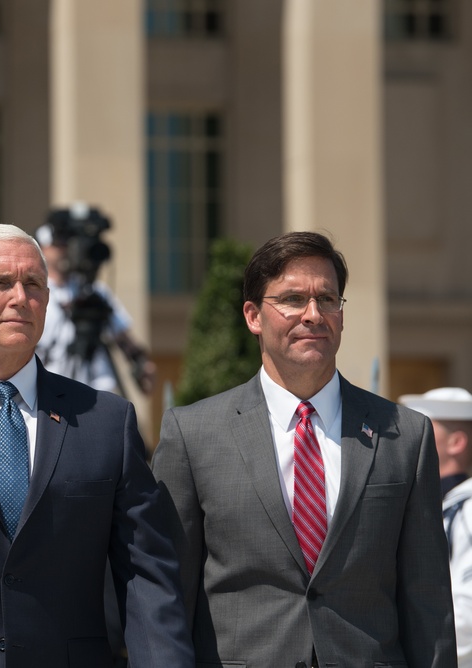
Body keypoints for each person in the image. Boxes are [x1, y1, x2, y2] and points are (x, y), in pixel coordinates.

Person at [152, 230, 456, 667]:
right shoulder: (193, 433)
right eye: (293, 300)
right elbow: (167, 593)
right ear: (253, 316)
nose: (313, 314)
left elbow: (427, 599)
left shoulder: (405, 436)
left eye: (327, 299)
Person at [0, 223, 192, 667]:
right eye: (0, 283)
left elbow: (146, 575)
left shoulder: (106, 421)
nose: (20, 298)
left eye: (33, 285)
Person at [34, 208, 154, 396]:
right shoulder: (35, 292)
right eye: (58, 244)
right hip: (55, 386)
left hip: (99, 387)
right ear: (42, 249)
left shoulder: (96, 292)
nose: (64, 249)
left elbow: (121, 334)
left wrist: (140, 361)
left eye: (67, 243)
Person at [400, 387, 472, 666]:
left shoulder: (466, 509)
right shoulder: (437, 503)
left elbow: (466, 612)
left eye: (423, 431)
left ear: (456, 443)